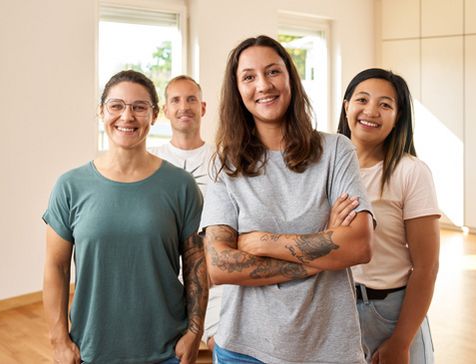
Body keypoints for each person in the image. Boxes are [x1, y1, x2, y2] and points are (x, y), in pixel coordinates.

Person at [199, 35, 375, 364]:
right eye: (249, 77)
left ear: (290, 78)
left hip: (330, 349)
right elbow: (220, 265)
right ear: (237, 91)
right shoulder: (226, 164)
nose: (263, 85)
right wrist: (321, 250)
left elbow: (359, 245)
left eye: (273, 72)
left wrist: (262, 241)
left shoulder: (336, 151)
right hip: (244, 350)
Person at [42, 70, 208, 364]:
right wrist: (59, 340)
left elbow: (196, 266)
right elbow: (56, 267)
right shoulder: (70, 186)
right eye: (116, 105)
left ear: (154, 115)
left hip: (167, 350)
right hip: (92, 350)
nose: (127, 116)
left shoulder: (181, 186)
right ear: (101, 111)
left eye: (139, 107)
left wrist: (194, 333)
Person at [336, 68, 440, 364]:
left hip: (392, 313)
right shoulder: (324, 167)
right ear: (346, 107)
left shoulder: (411, 172)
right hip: (335, 309)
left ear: (398, 118)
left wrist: (401, 341)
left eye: (385, 105)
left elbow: (426, 267)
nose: (371, 111)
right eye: (362, 99)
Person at [148, 75, 222, 352]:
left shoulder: (223, 159)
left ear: (202, 107)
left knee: (224, 343)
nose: (184, 107)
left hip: (214, 281)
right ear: (165, 110)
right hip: (162, 282)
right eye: (176, 100)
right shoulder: (149, 159)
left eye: (191, 99)